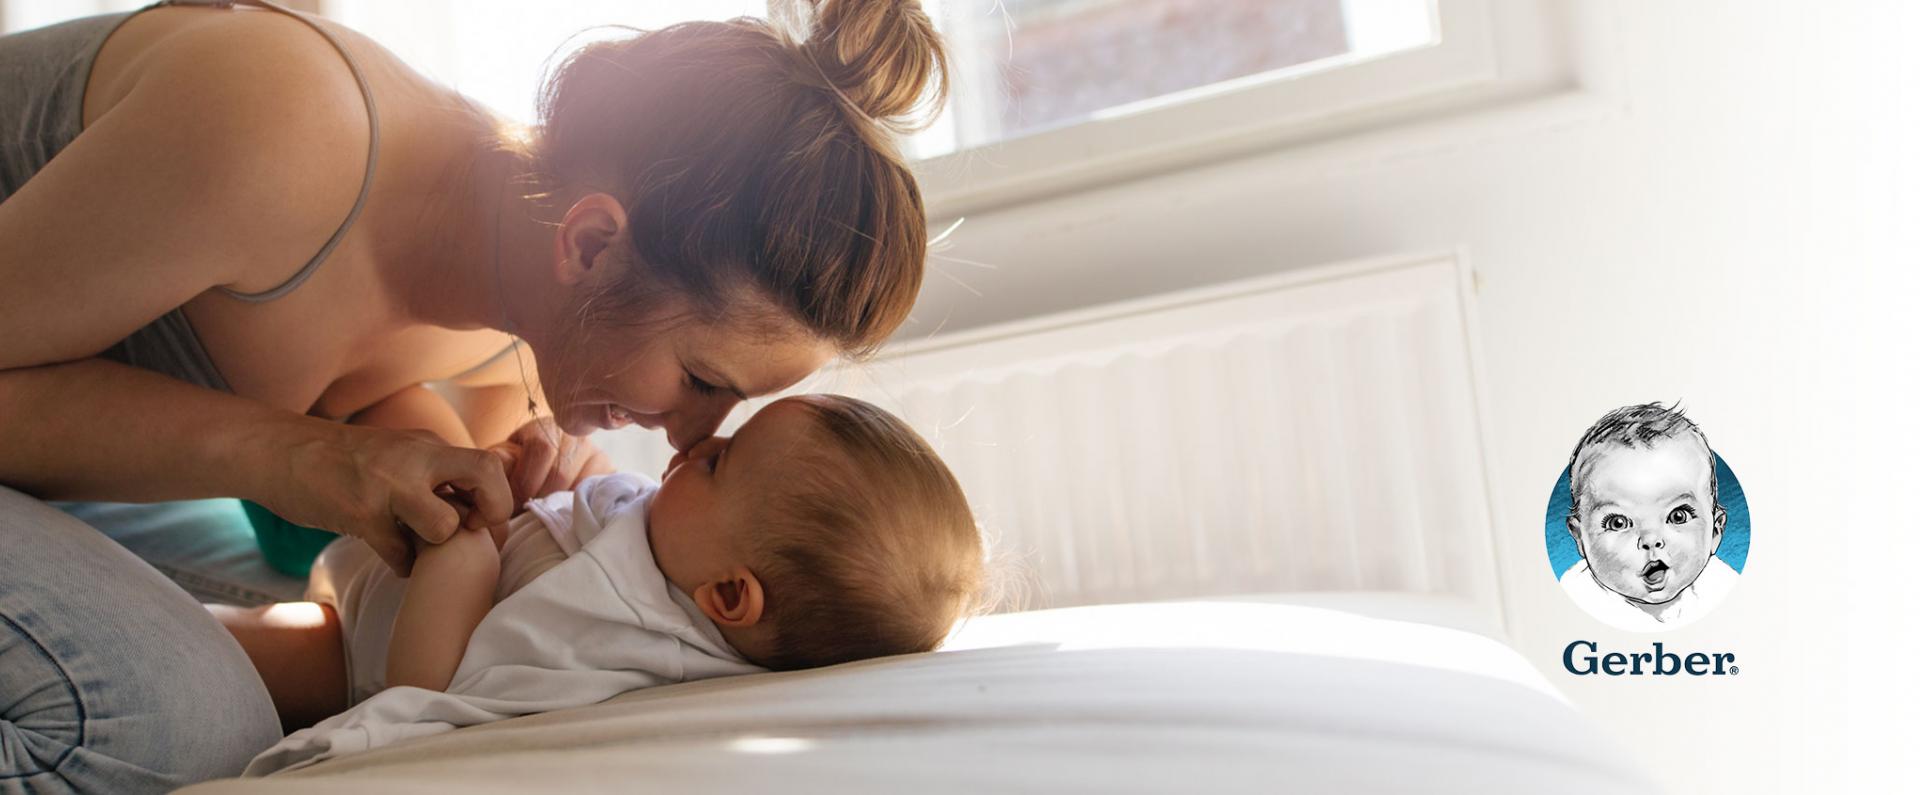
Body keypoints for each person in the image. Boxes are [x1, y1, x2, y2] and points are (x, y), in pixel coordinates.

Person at [0, 0, 949, 789]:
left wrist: (475, 491)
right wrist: (303, 455)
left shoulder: (514, 336)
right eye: (702, 380)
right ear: (588, 244)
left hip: (60, 481)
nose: (684, 440)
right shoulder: (284, 133)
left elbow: (397, 609)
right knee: (169, 721)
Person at [217, 394, 986, 772]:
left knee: (223, 641)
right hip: (366, 553)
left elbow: (429, 688)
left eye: (719, 461)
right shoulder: (677, 541)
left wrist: (467, 552)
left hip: (346, 642)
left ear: (728, 597)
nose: (699, 441)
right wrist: (554, 457)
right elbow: (595, 497)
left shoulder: (612, 636)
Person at [1559, 403, 1740, 631]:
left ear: (1715, 532)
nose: (1651, 539)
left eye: (1678, 516)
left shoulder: (1723, 588)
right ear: (1580, 538)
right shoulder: (1575, 599)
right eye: (1619, 522)